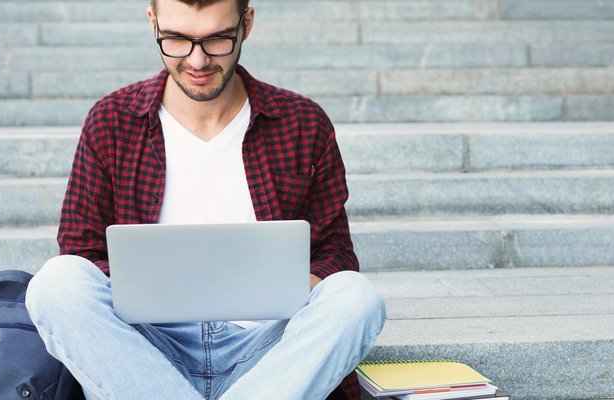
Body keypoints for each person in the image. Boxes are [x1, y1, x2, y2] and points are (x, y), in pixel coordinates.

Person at [23, 0, 386, 398]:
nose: (197, 60)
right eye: (176, 39)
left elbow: (336, 255)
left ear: (246, 24)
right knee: (56, 284)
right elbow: (80, 250)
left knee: (356, 297)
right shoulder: (111, 120)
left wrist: (291, 285)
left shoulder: (302, 122)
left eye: (217, 40)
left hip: (267, 351)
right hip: (146, 350)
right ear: (153, 22)